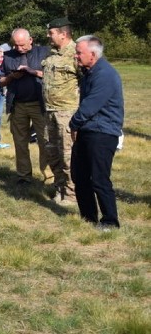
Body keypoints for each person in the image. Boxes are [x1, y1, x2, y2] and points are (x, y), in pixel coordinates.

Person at [69, 36, 124, 230]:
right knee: (79, 174)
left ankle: (110, 221)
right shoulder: (89, 72)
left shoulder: (105, 74)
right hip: (88, 129)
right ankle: (88, 217)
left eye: (78, 53)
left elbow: (90, 106)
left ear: (92, 54)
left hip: (102, 132)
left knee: (99, 178)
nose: (76, 56)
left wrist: (73, 124)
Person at [0, 28, 50, 185]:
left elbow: (51, 75)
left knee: (45, 141)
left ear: (31, 40)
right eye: (15, 45)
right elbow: (0, 80)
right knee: (20, 142)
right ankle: (23, 176)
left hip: (39, 104)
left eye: (22, 45)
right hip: (18, 105)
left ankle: (49, 176)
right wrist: (11, 77)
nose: (19, 48)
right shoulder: (8, 56)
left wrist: (32, 71)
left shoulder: (44, 52)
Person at [42, 18, 81, 205]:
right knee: (52, 153)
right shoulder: (52, 55)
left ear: (63, 34)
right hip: (49, 112)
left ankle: (72, 194)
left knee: (68, 156)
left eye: (51, 33)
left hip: (68, 113)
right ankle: (60, 188)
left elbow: (87, 82)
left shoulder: (76, 54)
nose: (48, 36)